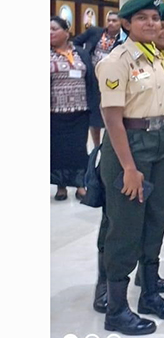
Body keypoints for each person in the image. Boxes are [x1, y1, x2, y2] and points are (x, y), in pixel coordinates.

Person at [95, 0, 164, 335]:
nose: (151, 23)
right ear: (127, 24)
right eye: (142, 18)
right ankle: (116, 308)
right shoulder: (117, 61)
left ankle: (149, 292)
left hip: (162, 142)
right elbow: (113, 119)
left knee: (156, 219)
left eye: (155, 18)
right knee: (127, 225)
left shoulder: (159, 57)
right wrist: (129, 168)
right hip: (130, 146)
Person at [51, 16, 97, 200]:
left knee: (78, 149)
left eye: (54, 29)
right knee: (58, 150)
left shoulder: (80, 53)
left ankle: (80, 184)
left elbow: (90, 80)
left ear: (66, 32)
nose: (50, 33)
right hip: (55, 112)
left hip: (80, 112)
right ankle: (60, 186)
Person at [74, 10, 123, 146]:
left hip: (111, 79)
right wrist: (83, 57)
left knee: (110, 111)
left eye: (115, 21)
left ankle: (109, 143)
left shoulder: (124, 39)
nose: (111, 23)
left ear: (121, 23)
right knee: (94, 113)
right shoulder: (95, 32)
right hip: (92, 77)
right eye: (109, 20)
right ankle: (96, 146)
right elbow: (76, 43)